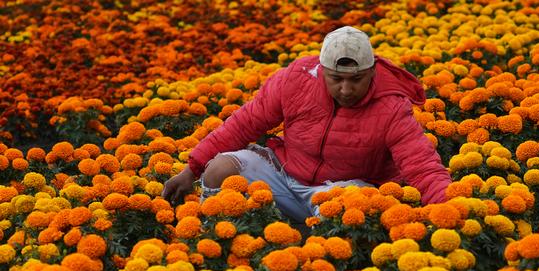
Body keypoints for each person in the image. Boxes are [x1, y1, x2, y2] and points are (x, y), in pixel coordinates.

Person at [162, 26, 451, 224]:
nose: (346, 90)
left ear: (372, 72)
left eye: (356, 80)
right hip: (286, 177)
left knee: (352, 212)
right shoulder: (297, 79)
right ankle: (219, 246)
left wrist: (451, 212)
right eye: (336, 79)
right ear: (322, 70)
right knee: (220, 170)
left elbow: (421, 165)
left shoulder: (391, 106)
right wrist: (192, 170)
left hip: (340, 189)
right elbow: (244, 124)